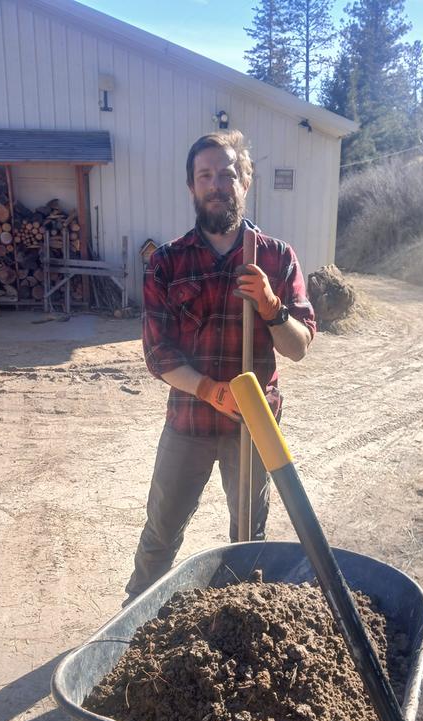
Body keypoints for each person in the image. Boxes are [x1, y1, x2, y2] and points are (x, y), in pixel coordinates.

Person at [124, 130, 316, 602]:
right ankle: (134, 614)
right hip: (188, 421)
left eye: (227, 174)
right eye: (205, 175)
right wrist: (211, 390)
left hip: (254, 425)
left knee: (249, 539)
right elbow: (159, 354)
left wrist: (271, 307)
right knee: (161, 531)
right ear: (191, 186)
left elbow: (298, 347)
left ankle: (243, 615)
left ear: (245, 182)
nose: (216, 185)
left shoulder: (275, 257)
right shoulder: (166, 263)